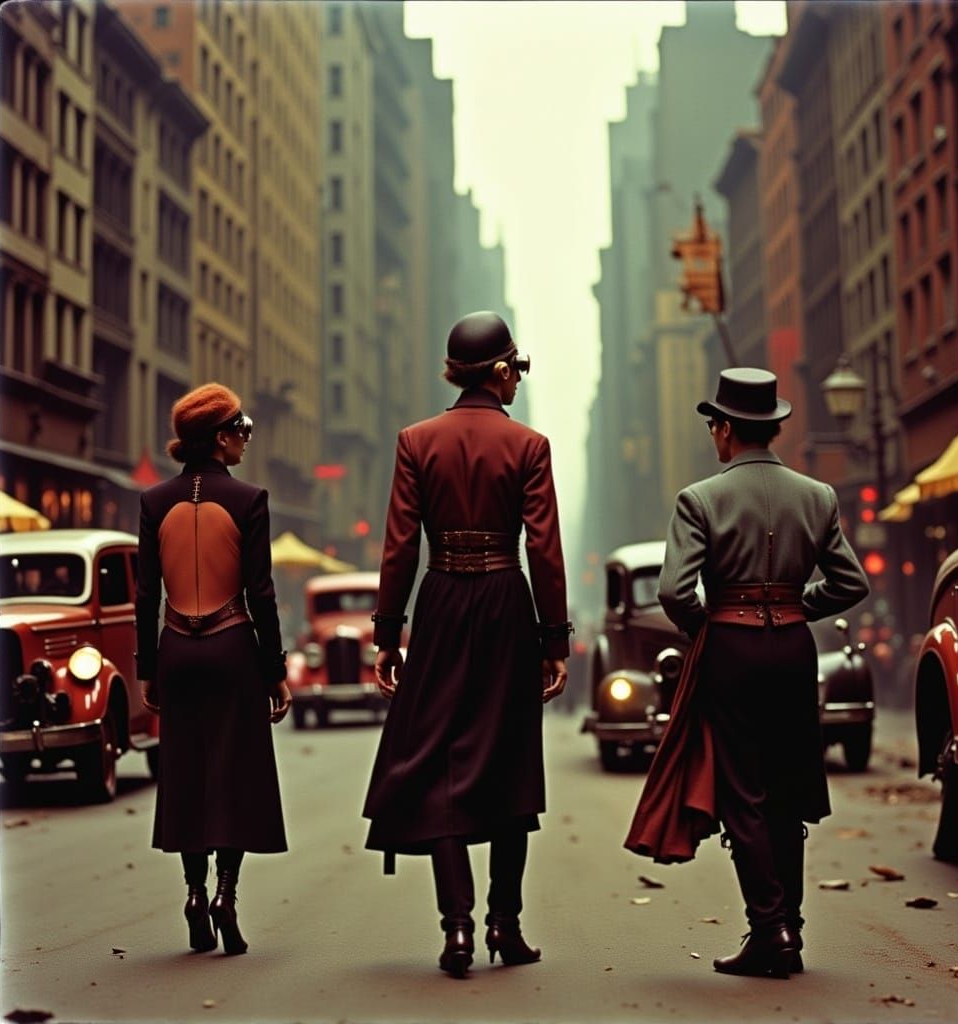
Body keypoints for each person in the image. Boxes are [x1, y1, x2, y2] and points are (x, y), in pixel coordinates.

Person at [626, 367, 869, 979]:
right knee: (789, 788)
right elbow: (851, 583)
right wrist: (794, 608)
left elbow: (675, 592)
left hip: (731, 650)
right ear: (775, 427)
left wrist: (711, 627)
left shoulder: (699, 499)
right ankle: (792, 926)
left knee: (744, 792)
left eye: (714, 425)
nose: (713, 434)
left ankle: (770, 930)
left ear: (727, 428)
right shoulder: (818, 496)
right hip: (792, 648)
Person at [363, 311, 571, 978]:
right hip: (508, 601)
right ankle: (503, 927)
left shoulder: (416, 441)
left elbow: (399, 546)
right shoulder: (530, 446)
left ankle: (455, 931)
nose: (518, 378)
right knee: (511, 762)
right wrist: (554, 638)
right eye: (515, 366)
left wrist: (388, 633)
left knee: (440, 766)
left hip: (443, 601)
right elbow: (544, 549)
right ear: (501, 371)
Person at [135, 382, 291, 956]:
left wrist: (146, 667)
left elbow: (146, 593)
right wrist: (275, 670)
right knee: (233, 777)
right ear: (221, 436)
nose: (247, 439)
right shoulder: (250, 500)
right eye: (242, 429)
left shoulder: (153, 502)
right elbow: (262, 594)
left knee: (186, 777)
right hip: (231, 647)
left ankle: (194, 895)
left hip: (176, 649)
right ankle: (227, 893)